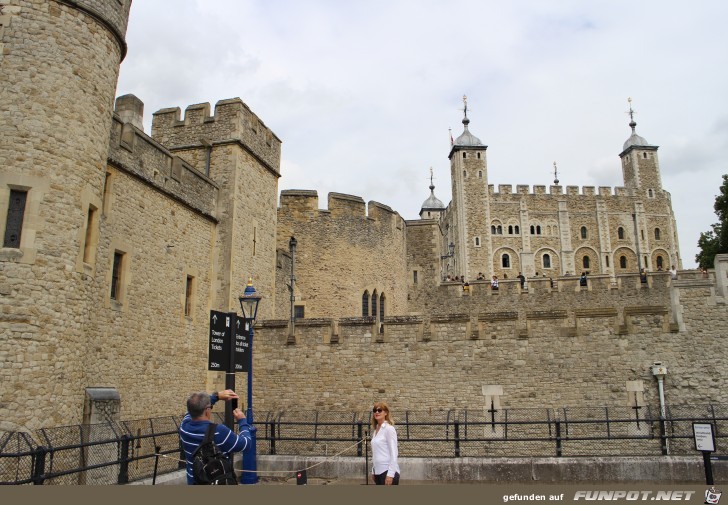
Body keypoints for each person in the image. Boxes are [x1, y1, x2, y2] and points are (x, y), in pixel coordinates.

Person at [179, 389, 251, 484]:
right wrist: (242, 421)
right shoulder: (219, 431)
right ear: (207, 411)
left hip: (194, 481)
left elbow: (192, 410)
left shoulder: (184, 426)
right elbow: (246, 444)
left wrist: (216, 396)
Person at [370, 401, 400, 485]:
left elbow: (394, 453)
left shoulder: (389, 429)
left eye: (379, 410)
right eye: (375, 410)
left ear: (386, 412)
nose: (376, 412)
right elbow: (376, 453)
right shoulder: (376, 430)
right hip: (378, 472)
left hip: (387, 471)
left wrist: (390, 474)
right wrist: (373, 470)